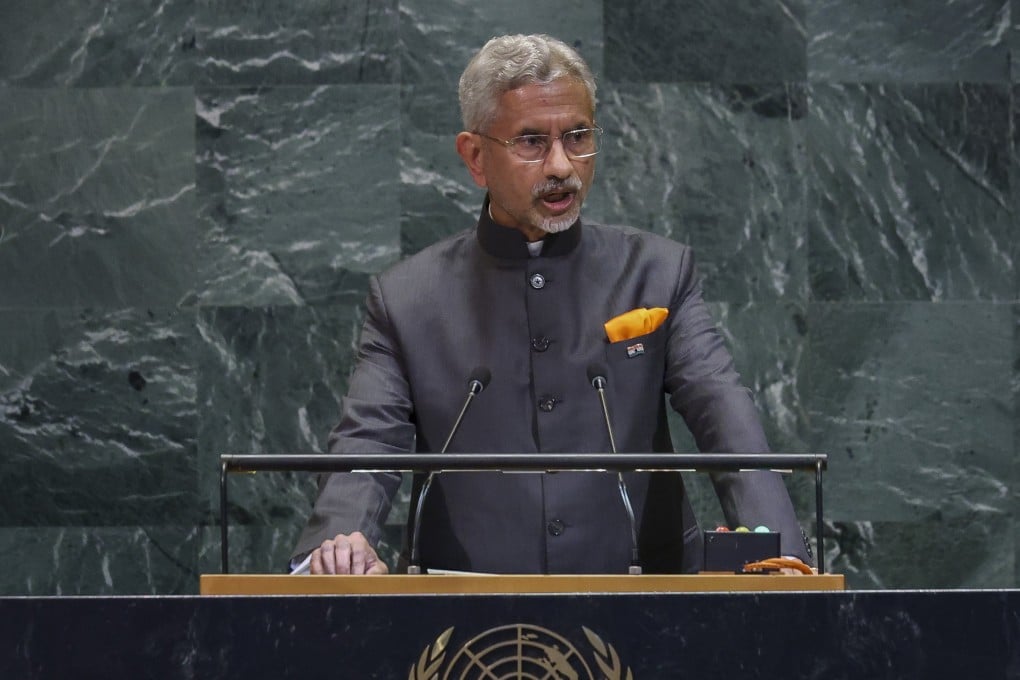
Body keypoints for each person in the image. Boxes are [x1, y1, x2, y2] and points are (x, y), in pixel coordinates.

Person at [291, 33, 811, 575]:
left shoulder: (657, 273)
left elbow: (725, 419)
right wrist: (340, 546)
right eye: (532, 142)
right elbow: (367, 445)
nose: (562, 165)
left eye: (578, 136)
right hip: (465, 621)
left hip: (646, 608)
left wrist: (782, 559)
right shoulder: (407, 300)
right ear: (475, 157)